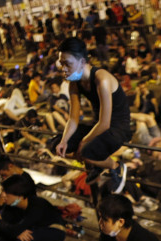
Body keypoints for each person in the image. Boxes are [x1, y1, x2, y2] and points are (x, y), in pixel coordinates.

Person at [54, 37, 132, 197]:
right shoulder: (74, 83)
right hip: (99, 126)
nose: (63, 68)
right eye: (61, 64)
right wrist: (63, 140)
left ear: (82, 61)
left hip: (117, 128)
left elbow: (105, 123)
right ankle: (96, 163)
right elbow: (73, 119)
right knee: (56, 144)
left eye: (67, 63)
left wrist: (84, 141)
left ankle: (116, 166)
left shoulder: (101, 79)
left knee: (86, 151)